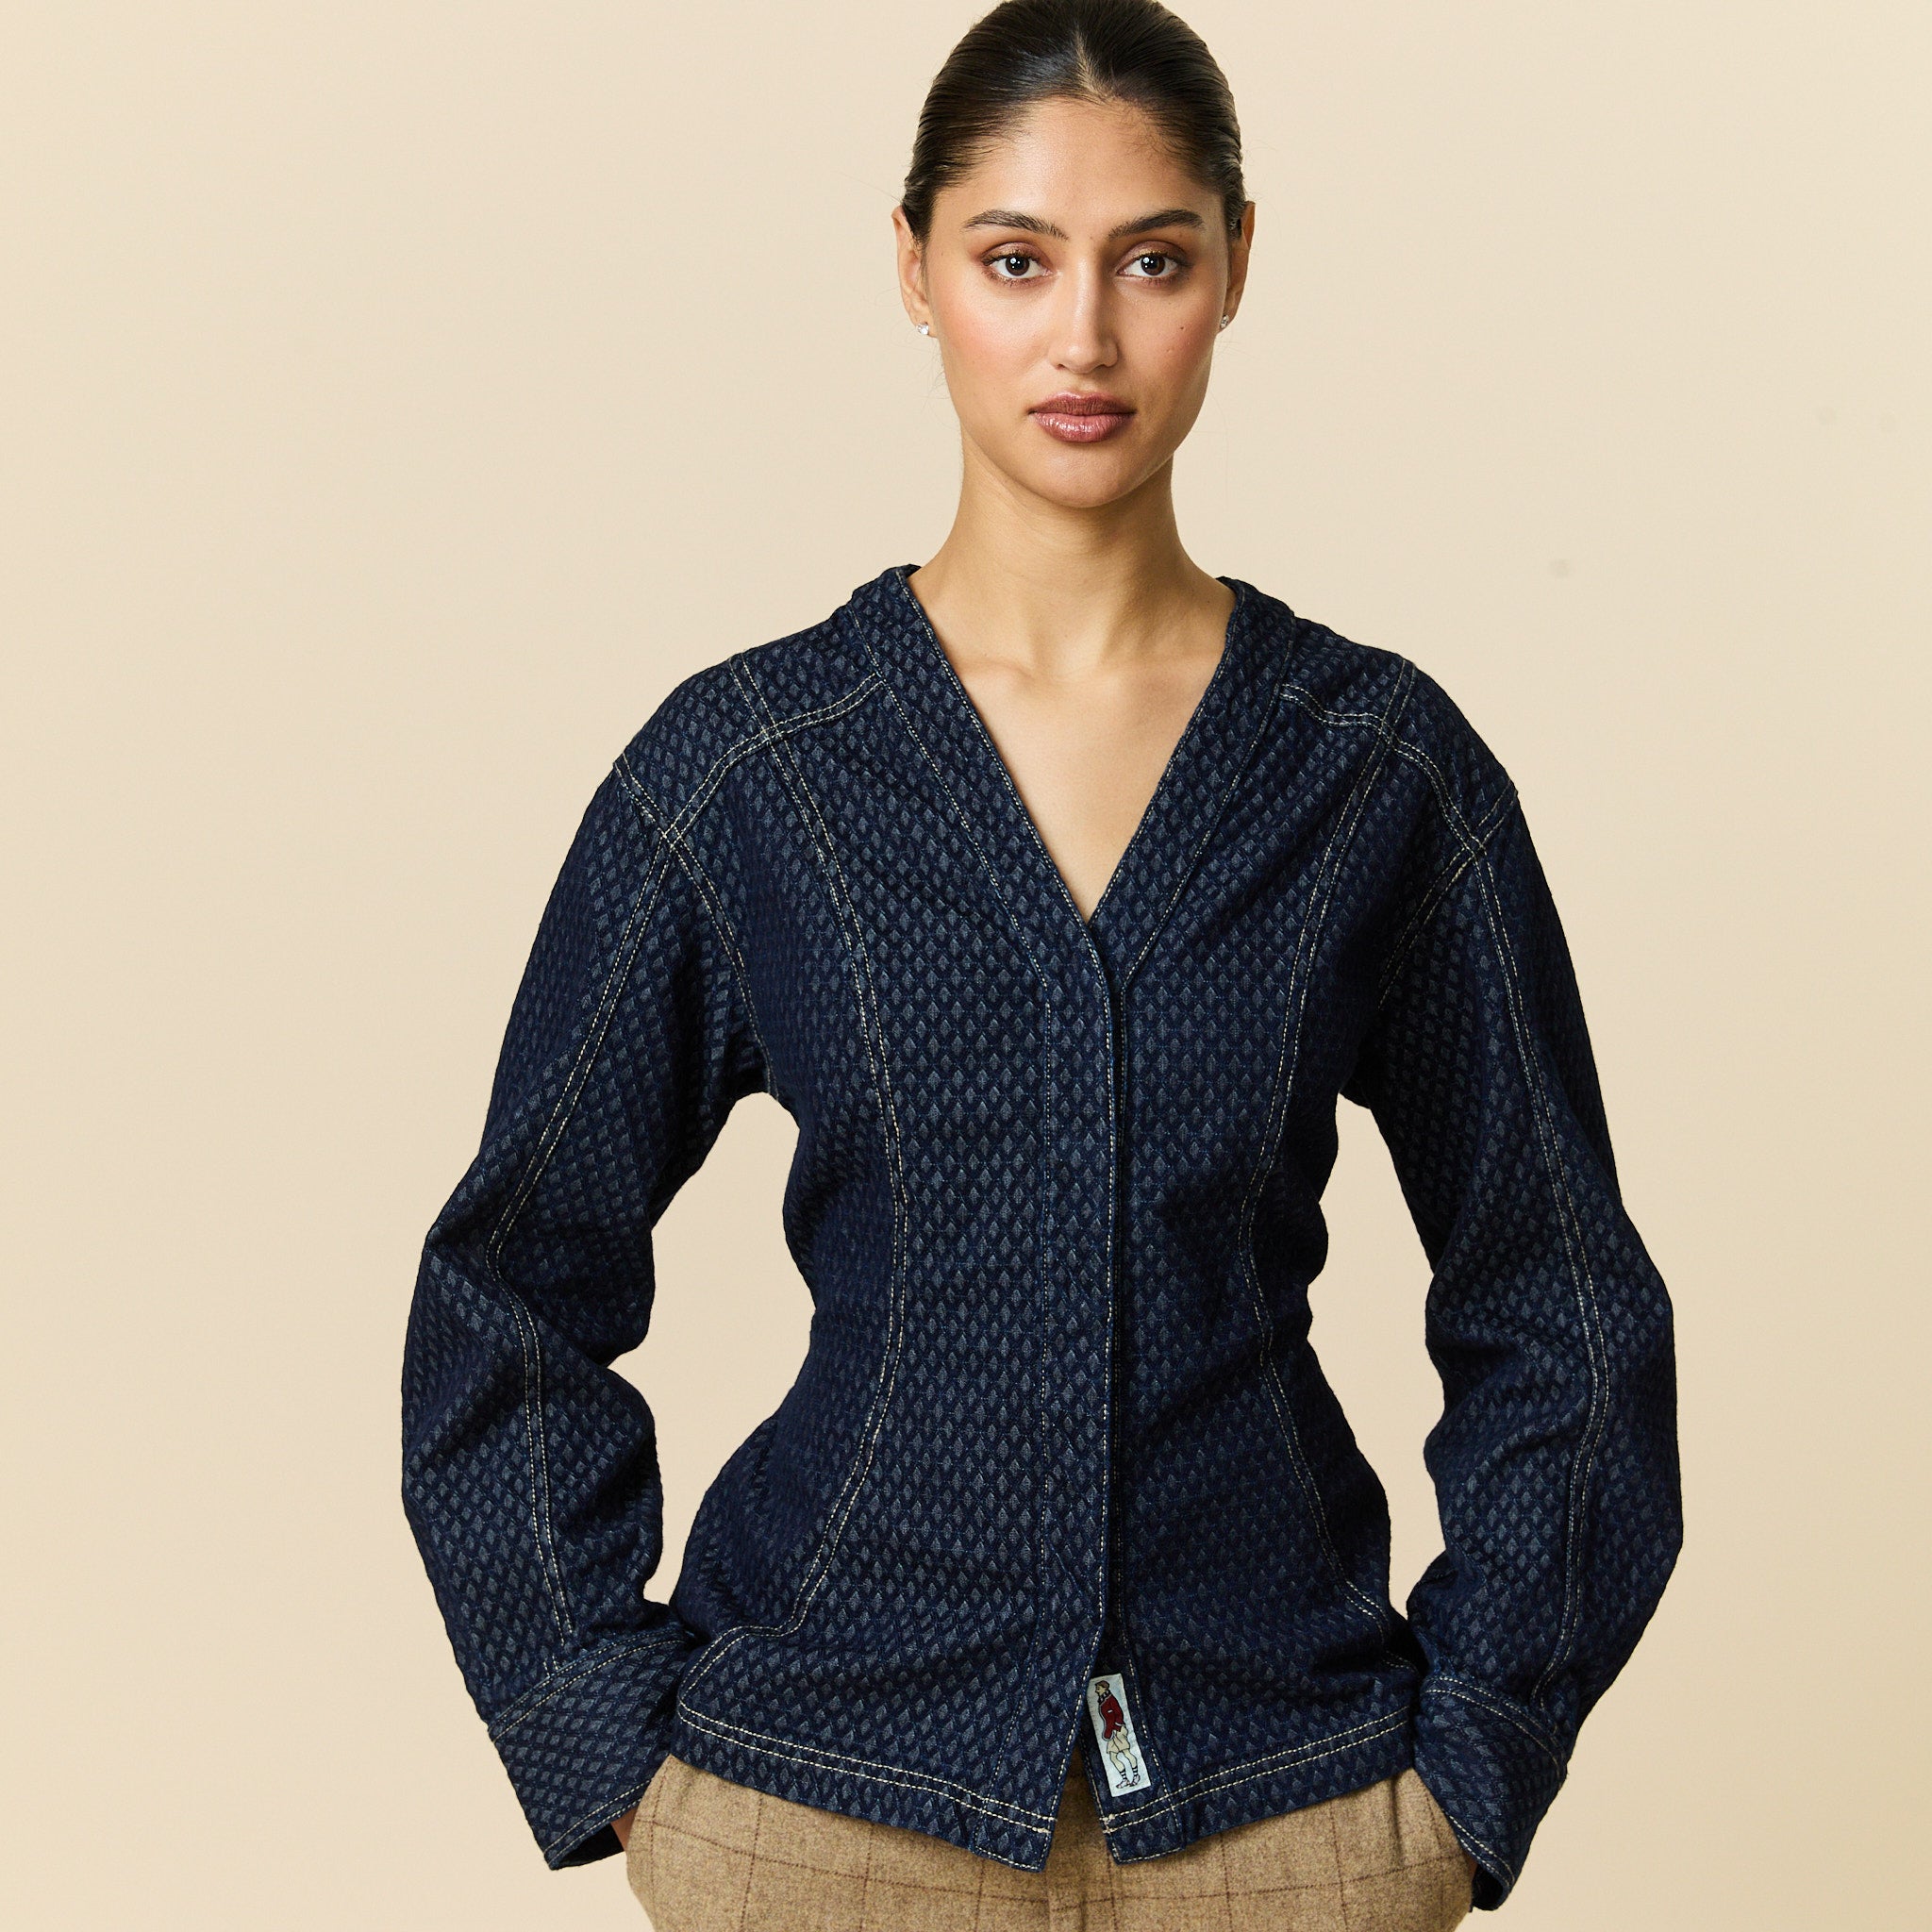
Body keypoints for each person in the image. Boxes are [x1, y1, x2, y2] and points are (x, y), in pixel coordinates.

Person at [398, 3, 1682, 1925]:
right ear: (914, 268)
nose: (1082, 337)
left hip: (1289, 1818)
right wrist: (610, 1746)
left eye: (1150, 261)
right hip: (814, 1818)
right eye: (1015, 260)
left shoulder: (1371, 772)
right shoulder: (754, 772)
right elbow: (506, 1287)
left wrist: (1470, 1766)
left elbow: (1558, 1297)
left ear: (1235, 267)